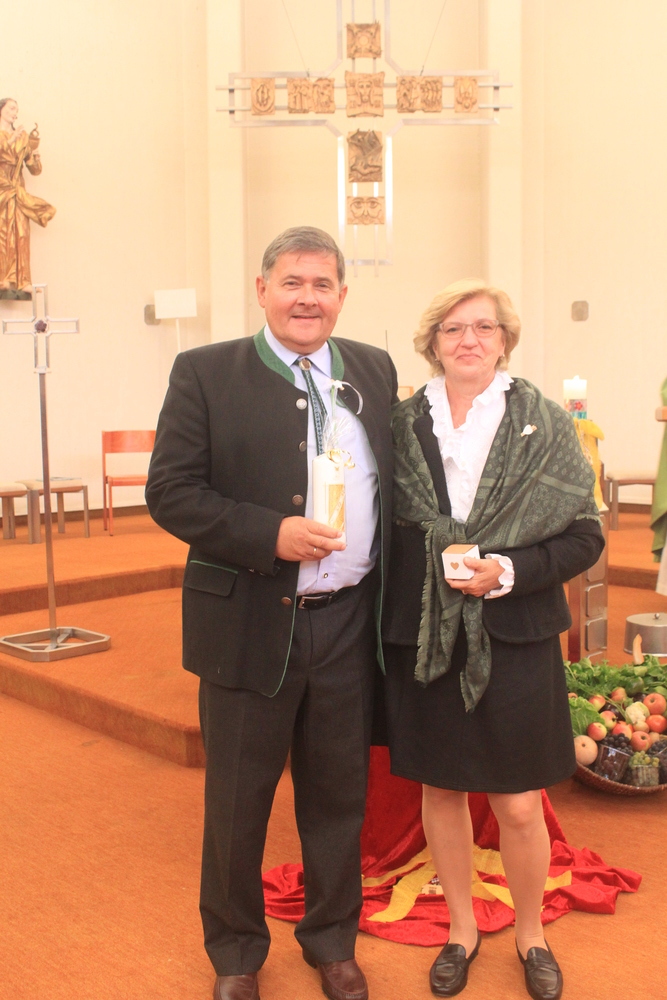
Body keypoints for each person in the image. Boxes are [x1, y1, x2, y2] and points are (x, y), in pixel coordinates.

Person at [146, 226, 397, 1000]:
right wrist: (269, 534)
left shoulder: (374, 367)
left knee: (337, 796)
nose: (306, 298)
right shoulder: (204, 372)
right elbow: (171, 493)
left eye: (322, 285)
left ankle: (331, 941)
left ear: (342, 295)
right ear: (261, 290)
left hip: (349, 621)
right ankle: (235, 954)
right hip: (249, 622)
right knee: (237, 800)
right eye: (292, 282)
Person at [382, 279, 604, 1000]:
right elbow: (381, 530)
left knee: (516, 804)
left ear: (505, 340)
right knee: (441, 789)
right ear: (432, 343)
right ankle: (459, 928)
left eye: (483, 327)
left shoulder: (543, 421)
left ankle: (530, 933)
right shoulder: (400, 424)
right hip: (426, 635)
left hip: (515, 634)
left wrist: (507, 569)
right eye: (452, 329)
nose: (468, 339)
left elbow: (584, 536)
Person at [0, 98, 56, 293]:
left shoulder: (22, 137)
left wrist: (35, 155)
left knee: (22, 234)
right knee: (3, 233)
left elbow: (35, 170)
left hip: (18, 191)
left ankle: (23, 280)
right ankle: (3, 278)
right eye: (11, 108)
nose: (15, 112)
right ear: (1, 110)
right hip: (2, 190)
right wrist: (10, 140)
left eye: (16, 109)